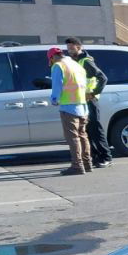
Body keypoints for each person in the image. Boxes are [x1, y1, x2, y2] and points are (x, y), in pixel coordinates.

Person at [64, 37, 111, 167]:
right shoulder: (75, 62)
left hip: (90, 100)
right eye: (68, 48)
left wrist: (93, 93)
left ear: (79, 47)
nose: (69, 50)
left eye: (71, 47)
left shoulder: (86, 61)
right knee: (86, 131)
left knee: (96, 129)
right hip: (81, 100)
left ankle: (106, 157)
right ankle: (95, 157)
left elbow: (102, 78)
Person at [48, 47, 91, 175]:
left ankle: (77, 166)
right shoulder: (76, 65)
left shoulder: (58, 66)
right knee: (83, 135)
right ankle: (87, 163)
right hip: (83, 105)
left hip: (68, 106)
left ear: (52, 57)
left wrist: (54, 99)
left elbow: (57, 85)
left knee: (73, 138)